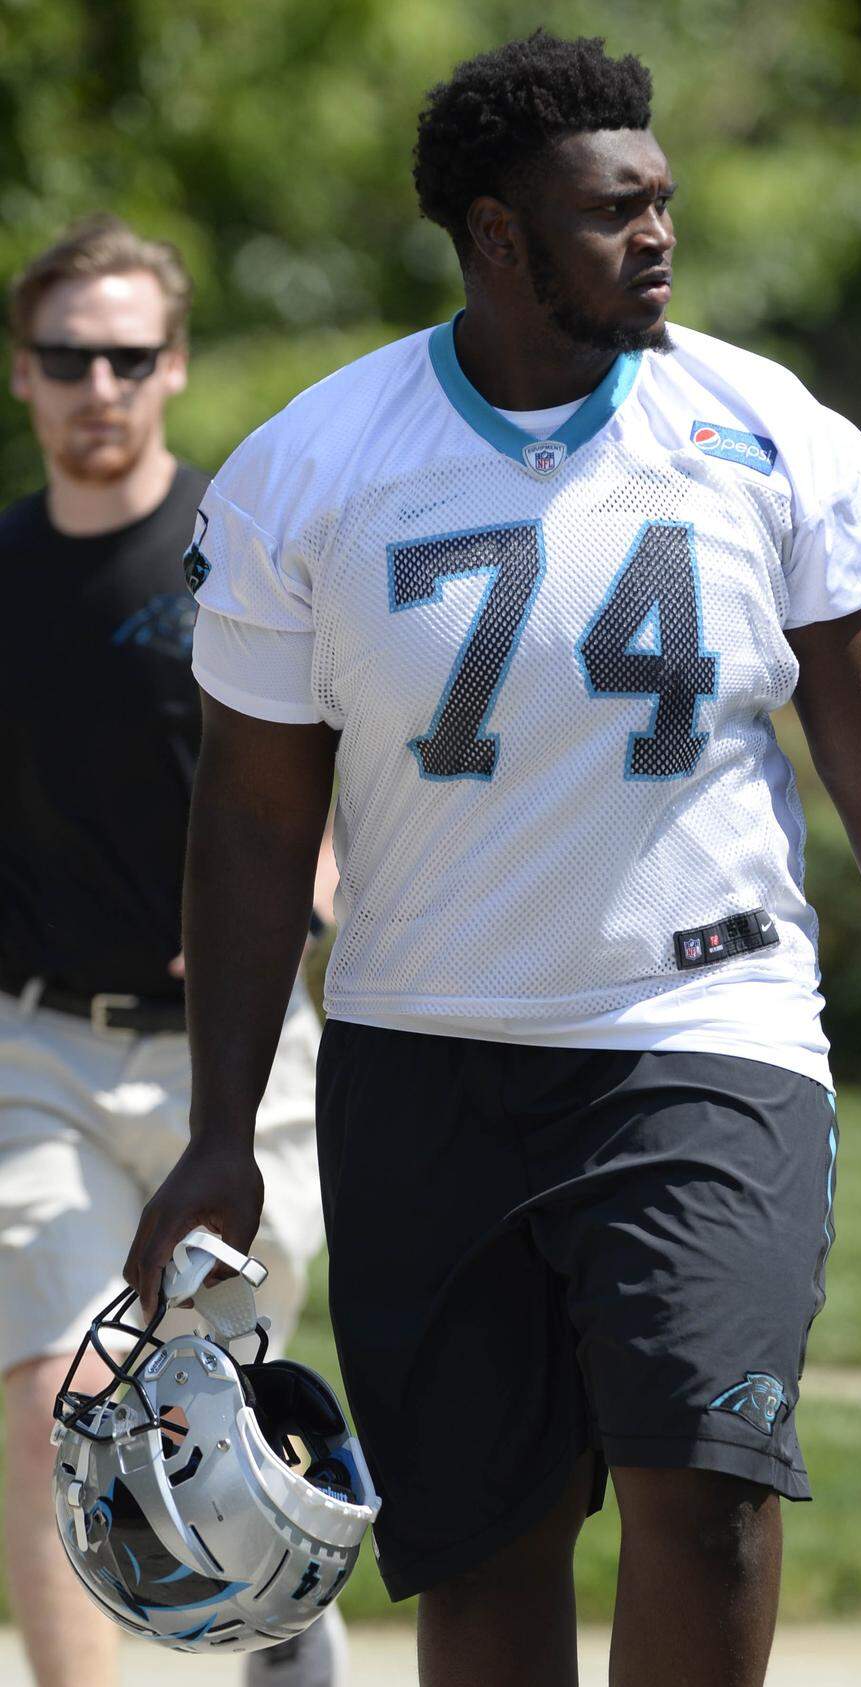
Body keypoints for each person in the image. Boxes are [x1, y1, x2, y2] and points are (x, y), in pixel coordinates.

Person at [124, 33, 861, 1687]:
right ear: (497, 236)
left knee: (710, 1497)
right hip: (423, 1061)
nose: (658, 237)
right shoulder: (311, 466)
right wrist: (221, 1132)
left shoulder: (773, 434)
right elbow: (255, 818)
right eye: (612, 210)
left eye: (663, 201)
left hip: (703, 1041)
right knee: (482, 1549)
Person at [0, 217, 345, 1687]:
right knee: (56, 1399)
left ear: (175, 365)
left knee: (216, 1404)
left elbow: (340, 760)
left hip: (241, 1062)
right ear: (24, 373)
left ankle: (284, 1616)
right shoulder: (4, 571)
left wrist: (313, 888)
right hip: (39, 1052)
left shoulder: (243, 552)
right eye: (69, 356)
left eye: (129, 358)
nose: (101, 386)